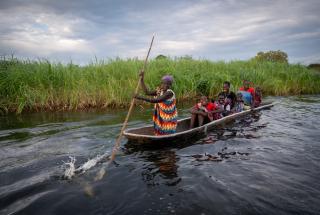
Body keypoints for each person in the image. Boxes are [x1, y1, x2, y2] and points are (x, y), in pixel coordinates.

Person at [134, 71, 178, 136]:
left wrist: (139, 97)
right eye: (162, 83)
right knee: (159, 131)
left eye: (165, 84)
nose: (163, 85)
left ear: (169, 85)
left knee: (167, 131)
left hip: (168, 118)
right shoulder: (160, 91)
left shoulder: (169, 93)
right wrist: (142, 80)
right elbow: (147, 92)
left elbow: (156, 100)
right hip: (161, 117)